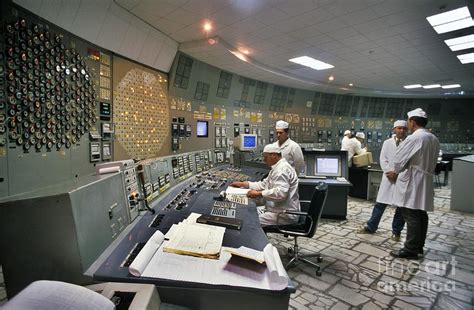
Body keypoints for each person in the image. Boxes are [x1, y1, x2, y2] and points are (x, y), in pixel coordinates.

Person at [386, 108, 440, 259]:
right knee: (421, 214)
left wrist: (398, 169)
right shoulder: (433, 138)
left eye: (408, 122)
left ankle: (410, 249)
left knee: (411, 215)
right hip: (425, 179)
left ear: (413, 122)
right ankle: (419, 246)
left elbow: (398, 162)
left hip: (413, 180)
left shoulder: (414, 138)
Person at [357, 120, 408, 241]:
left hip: (401, 178)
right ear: (394, 129)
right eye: (399, 128)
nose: (401, 130)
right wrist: (389, 172)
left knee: (401, 207)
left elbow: (409, 162)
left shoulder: (409, 143)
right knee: (380, 204)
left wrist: (398, 174)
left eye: (404, 129)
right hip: (388, 177)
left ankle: (397, 232)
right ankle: (371, 226)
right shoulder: (387, 143)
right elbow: (383, 159)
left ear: (407, 130)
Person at [229, 143, 300, 226]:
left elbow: (281, 194)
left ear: (273, 155)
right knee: (247, 210)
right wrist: (244, 184)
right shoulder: (277, 168)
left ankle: (256, 238)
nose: (264, 160)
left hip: (284, 214)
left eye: (265, 157)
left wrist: (259, 193)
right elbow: (263, 184)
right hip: (275, 209)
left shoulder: (282, 170)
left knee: (248, 221)